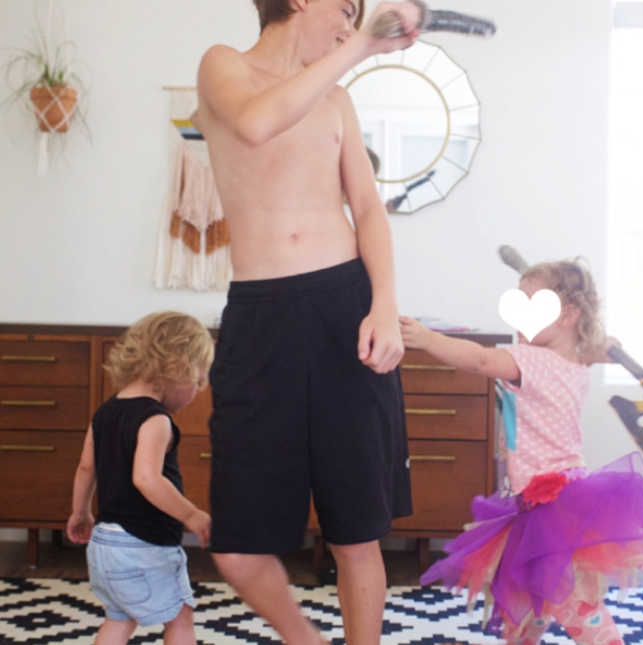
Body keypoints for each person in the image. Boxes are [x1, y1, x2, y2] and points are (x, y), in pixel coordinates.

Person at [191, 2, 422, 643]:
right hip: (261, 318)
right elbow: (258, 123)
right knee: (236, 546)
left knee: (356, 532)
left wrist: (383, 306)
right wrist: (365, 46)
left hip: (345, 308)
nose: (352, 22)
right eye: (345, 7)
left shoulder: (338, 101)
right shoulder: (223, 66)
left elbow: (369, 210)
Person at [400, 258, 643, 645]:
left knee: (571, 604)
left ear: (568, 314)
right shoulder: (573, 361)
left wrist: (428, 339)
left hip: (550, 503)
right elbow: (588, 350)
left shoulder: (532, 360)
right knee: (530, 600)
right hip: (546, 499)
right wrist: (601, 348)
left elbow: (483, 359)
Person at [66, 311, 214, 645]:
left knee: (120, 618)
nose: (195, 394)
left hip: (105, 543)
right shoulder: (155, 419)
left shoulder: (104, 412)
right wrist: (191, 515)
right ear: (178, 368)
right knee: (179, 617)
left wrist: (81, 512)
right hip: (142, 545)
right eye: (198, 382)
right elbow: (146, 478)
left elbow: (86, 468)